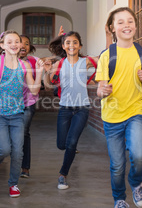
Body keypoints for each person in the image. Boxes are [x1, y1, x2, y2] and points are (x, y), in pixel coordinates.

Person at [95, 7, 142, 208]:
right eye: (120, 22)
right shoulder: (106, 56)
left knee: (139, 155)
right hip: (111, 115)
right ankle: (120, 199)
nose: (126, 25)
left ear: (136, 26)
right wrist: (103, 90)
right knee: (117, 165)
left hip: (134, 112)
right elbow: (99, 89)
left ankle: (136, 183)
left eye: (130, 21)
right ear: (112, 28)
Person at [0, 31, 44, 198]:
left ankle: (13, 184)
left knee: (18, 151)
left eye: (18, 41)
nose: (15, 44)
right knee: (4, 148)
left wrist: (41, 72)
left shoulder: (25, 66)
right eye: (10, 42)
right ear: (3, 45)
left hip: (17, 114)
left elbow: (34, 90)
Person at [43, 31, 98, 190]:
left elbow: (102, 64)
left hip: (82, 108)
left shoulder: (86, 62)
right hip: (65, 108)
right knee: (62, 144)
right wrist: (47, 71)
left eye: (75, 42)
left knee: (72, 142)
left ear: (80, 46)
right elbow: (48, 85)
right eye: (68, 42)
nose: (71, 45)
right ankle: (70, 150)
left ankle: (62, 175)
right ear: (63, 46)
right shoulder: (58, 65)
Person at [19, 35, 39, 178]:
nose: (23, 46)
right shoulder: (4, 61)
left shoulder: (34, 61)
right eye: (20, 42)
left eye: (27, 43)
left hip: (28, 103)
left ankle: (24, 167)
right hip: (9, 104)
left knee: (24, 132)